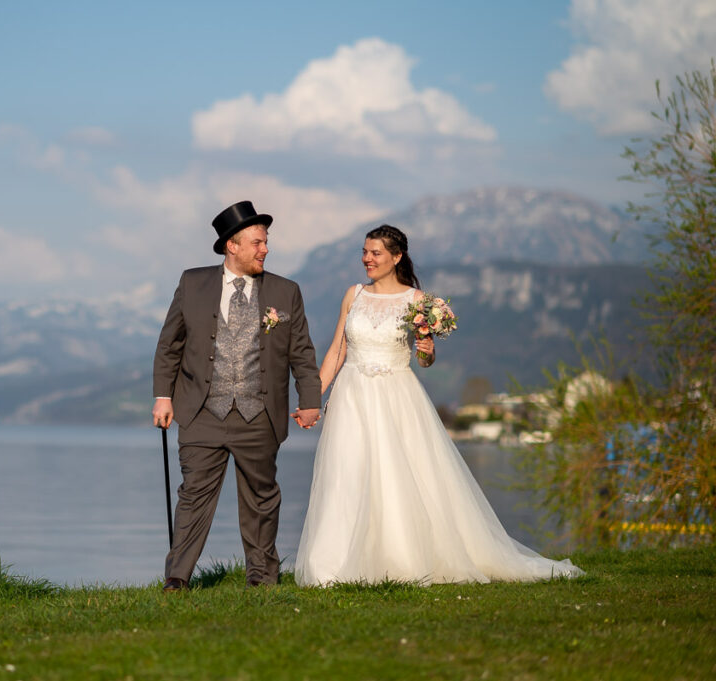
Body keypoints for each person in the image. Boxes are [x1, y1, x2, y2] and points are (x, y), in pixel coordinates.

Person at [294, 224, 583, 586]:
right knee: (346, 473)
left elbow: (425, 361)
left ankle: (398, 559)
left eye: (376, 253)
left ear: (396, 257)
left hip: (396, 397)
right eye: (365, 252)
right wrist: (311, 400)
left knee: (394, 475)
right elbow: (337, 350)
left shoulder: (417, 302)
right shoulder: (353, 295)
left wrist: (427, 352)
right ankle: (333, 565)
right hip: (351, 396)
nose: (367, 259)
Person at [153, 201, 322, 591]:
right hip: (200, 412)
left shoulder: (286, 290)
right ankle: (177, 577)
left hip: (259, 414)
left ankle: (262, 578)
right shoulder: (193, 283)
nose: (265, 249)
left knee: (262, 500)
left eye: (265, 243)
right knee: (193, 495)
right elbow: (169, 346)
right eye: (258, 243)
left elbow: (302, 351)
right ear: (233, 245)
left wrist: (309, 399)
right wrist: (163, 396)